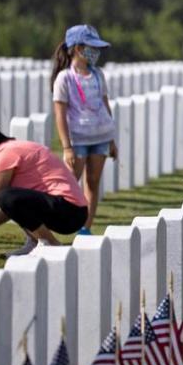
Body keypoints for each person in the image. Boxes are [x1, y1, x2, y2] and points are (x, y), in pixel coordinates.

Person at [0, 124, 88, 258]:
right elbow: (15, 207)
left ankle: (50, 243)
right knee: (8, 197)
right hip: (72, 210)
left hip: (69, 209)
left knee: (5, 196)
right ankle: (35, 242)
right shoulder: (10, 148)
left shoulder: (3, 155)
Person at [51, 24, 118, 236]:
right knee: (70, 183)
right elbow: (60, 114)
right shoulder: (65, 78)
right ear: (78, 48)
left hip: (100, 137)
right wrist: (67, 147)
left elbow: (105, 104)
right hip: (78, 139)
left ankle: (85, 227)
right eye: (92, 47)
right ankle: (63, 222)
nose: (95, 52)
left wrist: (111, 139)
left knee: (93, 182)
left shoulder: (98, 75)